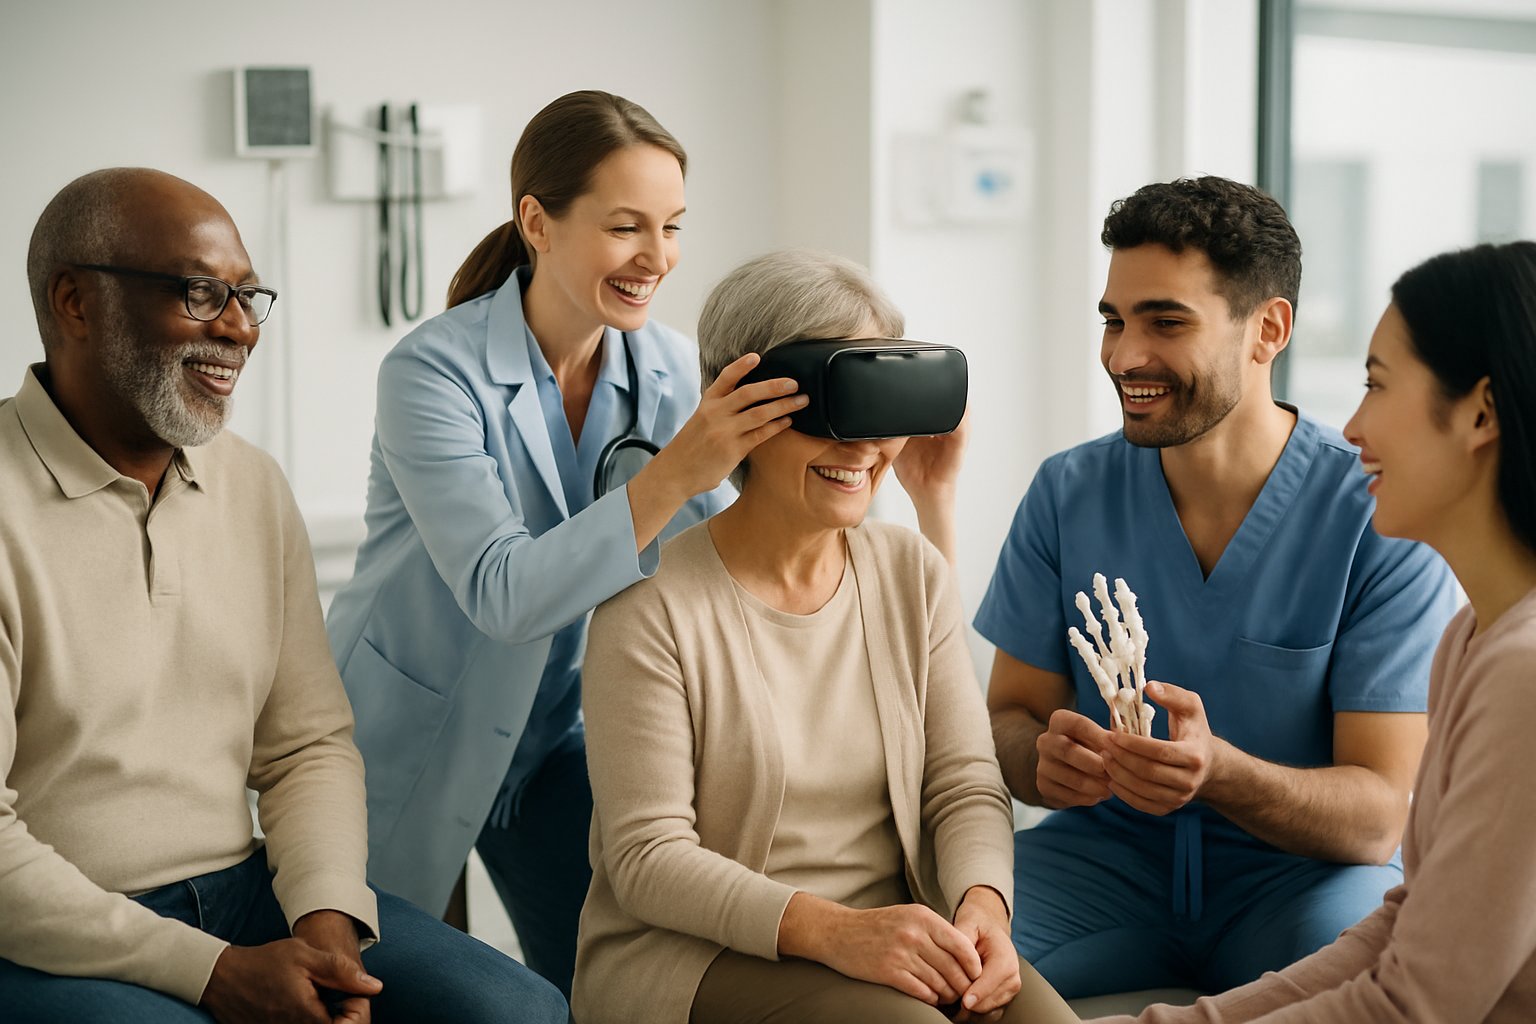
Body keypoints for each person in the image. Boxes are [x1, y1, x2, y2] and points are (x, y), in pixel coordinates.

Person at [324, 91, 964, 995]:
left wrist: (926, 503)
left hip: (556, 742)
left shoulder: (668, 370)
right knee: (395, 997)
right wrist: (680, 470)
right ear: (537, 223)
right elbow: (504, 595)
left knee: (585, 987)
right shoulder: (431, 372)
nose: (657, 258)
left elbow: (786, 549)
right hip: (413, 733)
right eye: (626, 227)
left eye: (672, 227)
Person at [0, 167, 566, 1024]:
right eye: (199, 292)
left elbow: (306, 746)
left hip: (244, 890)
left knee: (514, 1011)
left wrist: (327, 926)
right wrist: (216, 971)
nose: (238, 329)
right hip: (52, 927)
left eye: (245, 295)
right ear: (75, 301)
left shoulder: (253, 486)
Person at [976, 176, 1459, 999]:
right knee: (929, 965)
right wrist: (1042, 760)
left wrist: (1221, 773)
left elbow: (1381, 812)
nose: (1125, 356)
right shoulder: (1067, 494)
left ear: (1267, 330)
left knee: (1382, 986)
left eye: (1165, 322)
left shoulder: (1376, 517)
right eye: (1114, 321)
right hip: (1100, 864)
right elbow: (1007, 722)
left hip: (1300, 883)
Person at [572, 249, 1076, 1024]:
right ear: (740, 406)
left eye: (880, 408)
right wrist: (836, 932)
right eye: (829, 407)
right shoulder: (649, 610)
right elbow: (648, 859)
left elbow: (964, 783)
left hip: (899, 932)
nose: (860, 446)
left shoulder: (911, 572)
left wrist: (983, 907)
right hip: (698, 956)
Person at [1092, 240, 1536, 1023]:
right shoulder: (1473, 637)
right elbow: (1404, 928)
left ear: (1480, 413)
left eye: (1378, 385)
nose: (1354, 426)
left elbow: (1412, 1003)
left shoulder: (1523, 674)